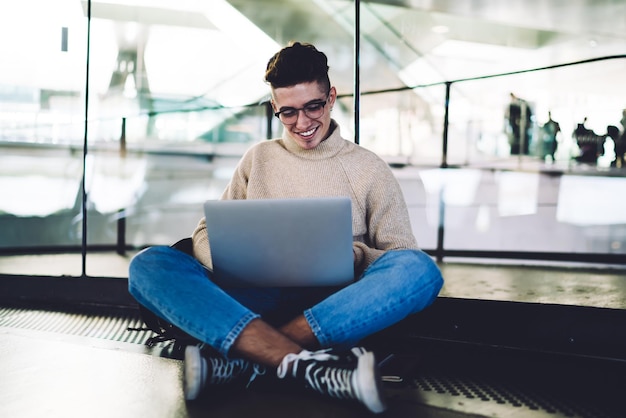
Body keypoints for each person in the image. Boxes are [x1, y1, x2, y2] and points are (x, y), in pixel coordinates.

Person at [128, 41, 443, 414]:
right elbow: (203, 234)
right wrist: (233, 261)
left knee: (420, 270)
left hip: (331, 305)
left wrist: (354, 256)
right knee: (149, 265)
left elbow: (400, 255)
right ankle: (304, 363)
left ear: (331, 98)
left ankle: (248, 356)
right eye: (288, 113)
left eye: (313, 106)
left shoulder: (368, 168)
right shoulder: (258, 158)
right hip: (253, 296)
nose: (303, 123)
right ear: (275, 108)